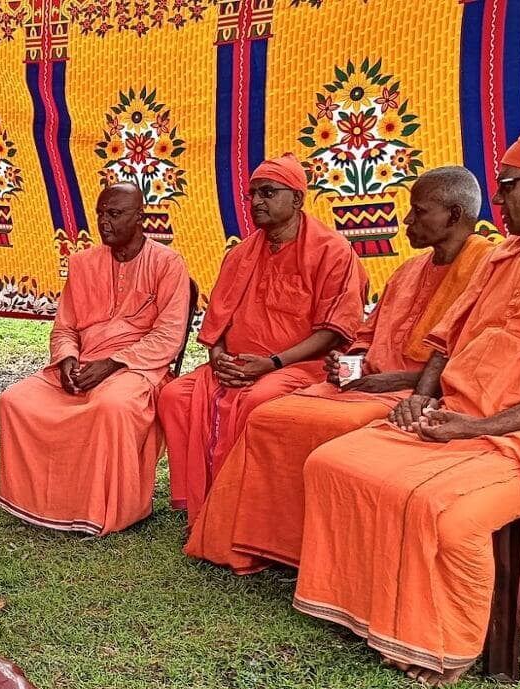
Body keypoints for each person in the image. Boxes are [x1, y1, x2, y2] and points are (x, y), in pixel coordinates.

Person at [291, 124, 520, 685]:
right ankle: (372, 614)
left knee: (444, 511)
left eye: (507, 185)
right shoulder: (506, 256)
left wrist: (474, 427)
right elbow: (447, 340)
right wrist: (424, 400)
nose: (497, 202)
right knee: (332, 463)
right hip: (460, 416)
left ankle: (442, 647)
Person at [185, 167, 494, 573]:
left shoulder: (490, 268)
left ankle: (319, 550)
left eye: (418, 212)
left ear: (454, 216)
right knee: (269, 418)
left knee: (301, 420)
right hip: (366, 384)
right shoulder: (408, 271)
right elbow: (366, 333)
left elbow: (476, 356)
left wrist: (402, 380)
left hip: (424, 393)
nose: (407, 221)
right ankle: (261, 542)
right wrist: (349, 363)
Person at [156, 153, 368, 521]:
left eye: (268, 192)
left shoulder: (334, 251)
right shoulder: (240, 253)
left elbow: (334, 332)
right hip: (237, 365)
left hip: (303, 366)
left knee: (259, 400)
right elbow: (218, 321)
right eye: (252, 194)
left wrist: (271, 363)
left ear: (298, 200)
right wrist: (218, 356)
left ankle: (242, 510)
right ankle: (201, 503)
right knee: (175, 395)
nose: (256, 202)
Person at [0, 183, 193, 535]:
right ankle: (39, 502)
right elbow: (65, 328)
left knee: (110, 407)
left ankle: (107, 509)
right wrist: (68, 360)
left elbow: (168, 337)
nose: (104, 222)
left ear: (140, 217)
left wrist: (112, 363)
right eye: (100, 213)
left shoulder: (167, 264)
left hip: (138, 367)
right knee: (13, 401)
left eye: (114, 214)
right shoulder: (83, 263)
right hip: (82, 365)